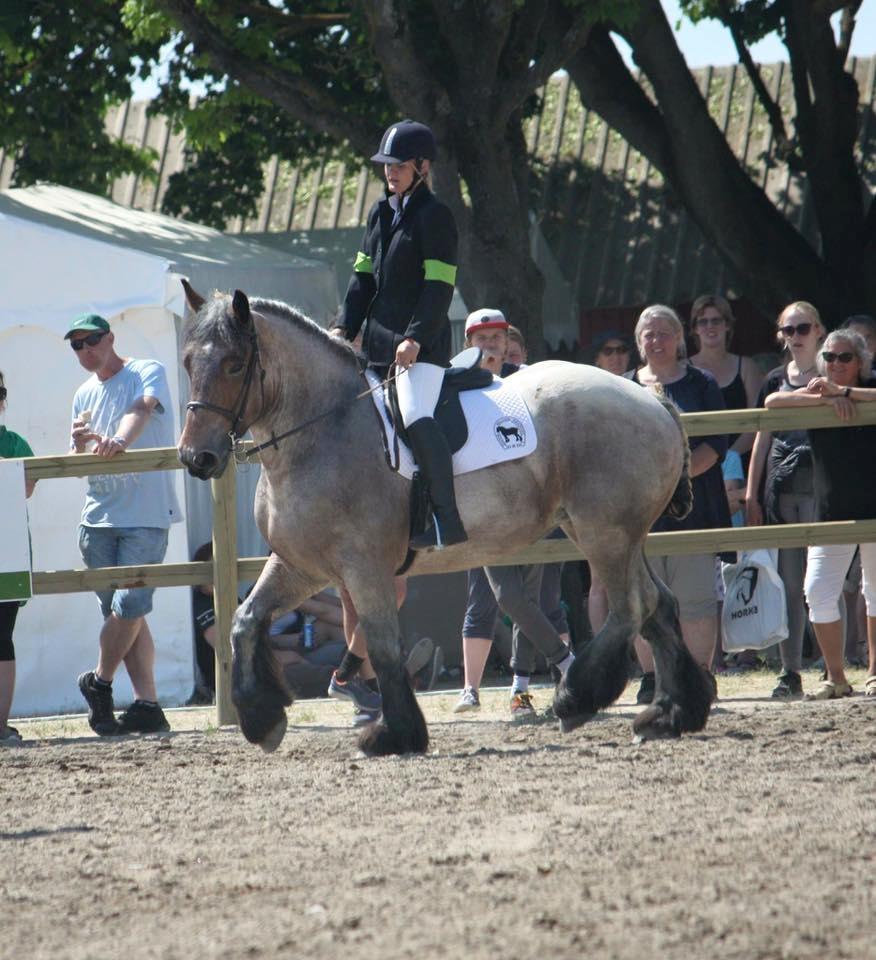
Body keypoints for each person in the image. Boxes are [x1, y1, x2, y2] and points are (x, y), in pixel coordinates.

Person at [331, 118, 465, 550]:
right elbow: (362, 281)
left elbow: (439, 286)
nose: (389, 171)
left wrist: (415, 337)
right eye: (386, 164)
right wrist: (342, 328)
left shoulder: (436, 216)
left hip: (420, 349)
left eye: (398, 164)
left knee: (413, 414)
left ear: (422, 166)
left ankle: (445, 517)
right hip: (376, 347)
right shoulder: (378, 212)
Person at [453, 311, 574, 718]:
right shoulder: (453, 384)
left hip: (534, 505)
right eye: (481, 337)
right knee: (509, 597)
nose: (489, 344)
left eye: (496, 337)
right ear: (470, 342)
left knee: (536, 597)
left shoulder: (529, 384)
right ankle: (569, 665)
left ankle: (520, 690)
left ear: (508, 343)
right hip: (487, 513)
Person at [68, 313, 182, 736]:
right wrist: (80, 447)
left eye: (92, 340)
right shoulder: (82, 393)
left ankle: (98, 682)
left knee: (129, 607)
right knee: (126, 615)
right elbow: (78, 461)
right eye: (76, 345)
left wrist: (120, 440)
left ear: (111, 337)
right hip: (96, 518)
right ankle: (147, 705)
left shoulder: (145, 370)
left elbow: (142, 408)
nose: (85, 350)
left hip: (146, 515)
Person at [763, 328, 876, 699]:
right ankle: (837, 677)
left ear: (860, 361)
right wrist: (822, 398)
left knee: (874, 592)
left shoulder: (866, 387)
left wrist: (845, 395)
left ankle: (875, 674)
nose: (836, 364)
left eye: (845, 357)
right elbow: (771, 403)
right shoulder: (816, 392)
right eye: (829, 358)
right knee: (817, 590)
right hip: (832, 509)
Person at [626, 304, 730, 703]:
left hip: (693, 504)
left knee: (695, 594)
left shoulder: (702, 383)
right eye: (648, 334)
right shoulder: (623, 385)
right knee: (643, 597)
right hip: (639, 509)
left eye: (664, 332)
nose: (656, 340)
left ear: (679, 339)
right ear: (639, 342)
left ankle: (699, 674)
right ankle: (652, 678)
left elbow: (715, 444)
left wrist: (673, 480)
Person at [745, 301, 825, 699]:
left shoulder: (835, 374)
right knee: (790, 585)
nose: (796, 336)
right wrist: (751, 493)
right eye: (789, 330)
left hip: (826, 488)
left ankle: (835, 664)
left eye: (803, 328)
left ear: (819, 331)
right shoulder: (774, 378)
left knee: (827, 582)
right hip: (783, 489)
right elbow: (762, 434)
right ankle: (790, 671)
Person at [0, 370, 37, 745]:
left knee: (1, 638)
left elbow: (24, 488)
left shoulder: (13, 443)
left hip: (5, 557)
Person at [689, 294, 763, 456]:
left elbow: (758, 420)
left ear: (727, 325)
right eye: (703, 321)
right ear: (695, 328)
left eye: (716, 320)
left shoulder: (747, 367)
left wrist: (731, 457)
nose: (710, 326)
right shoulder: (684, 369)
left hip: (741, 459)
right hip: (697, 463)